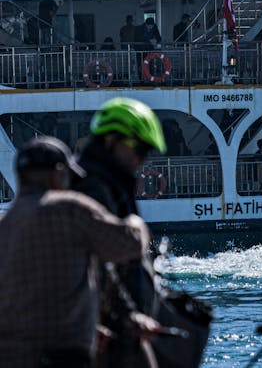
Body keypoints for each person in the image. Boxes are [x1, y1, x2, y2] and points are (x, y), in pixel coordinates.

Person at [0, 135, 149, 368]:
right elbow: (128, 245)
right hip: (64, 355)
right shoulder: (69, 208)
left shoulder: (5, 224)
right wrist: (135, 221)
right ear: (56, 173)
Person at [73, 98, 167, 368]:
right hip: (109, 331)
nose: (141, 158)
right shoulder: (93, 188)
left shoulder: (109, 182)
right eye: (138, 148)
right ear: (112, 139)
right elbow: (93, 259)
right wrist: (123, 314)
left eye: (146, 152)